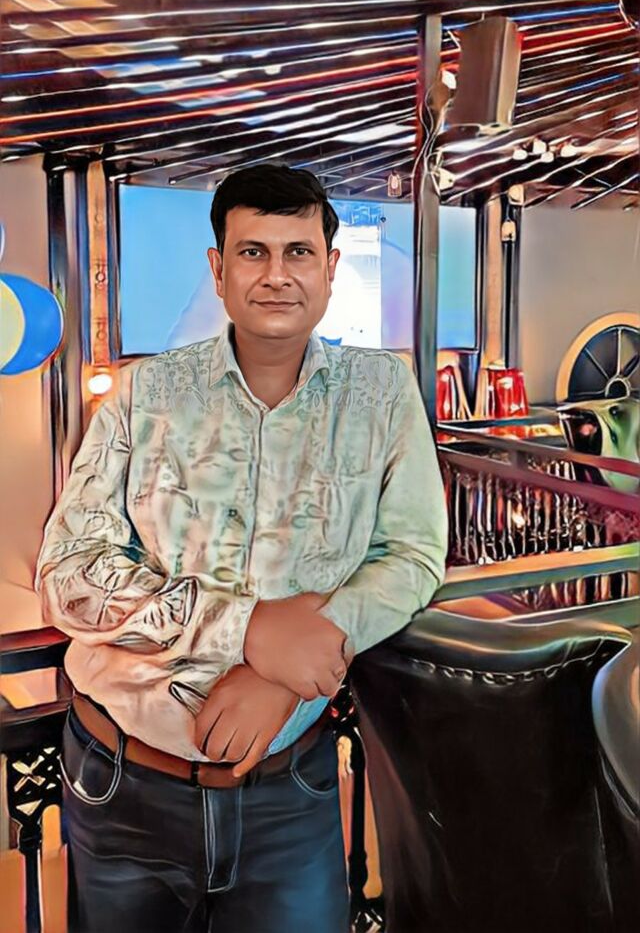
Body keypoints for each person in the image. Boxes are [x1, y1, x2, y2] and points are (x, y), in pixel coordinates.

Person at [36, 163, 448, 933]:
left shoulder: (382, 394)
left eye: (298, 252)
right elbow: (67, 575)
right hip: (125, 787)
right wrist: (246, 630)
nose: (277, 274)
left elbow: (413, 554)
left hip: (290, 791)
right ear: (219, 271)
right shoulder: (146, 394)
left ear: (331, 268)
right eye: (253, 252)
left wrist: (289, 673)